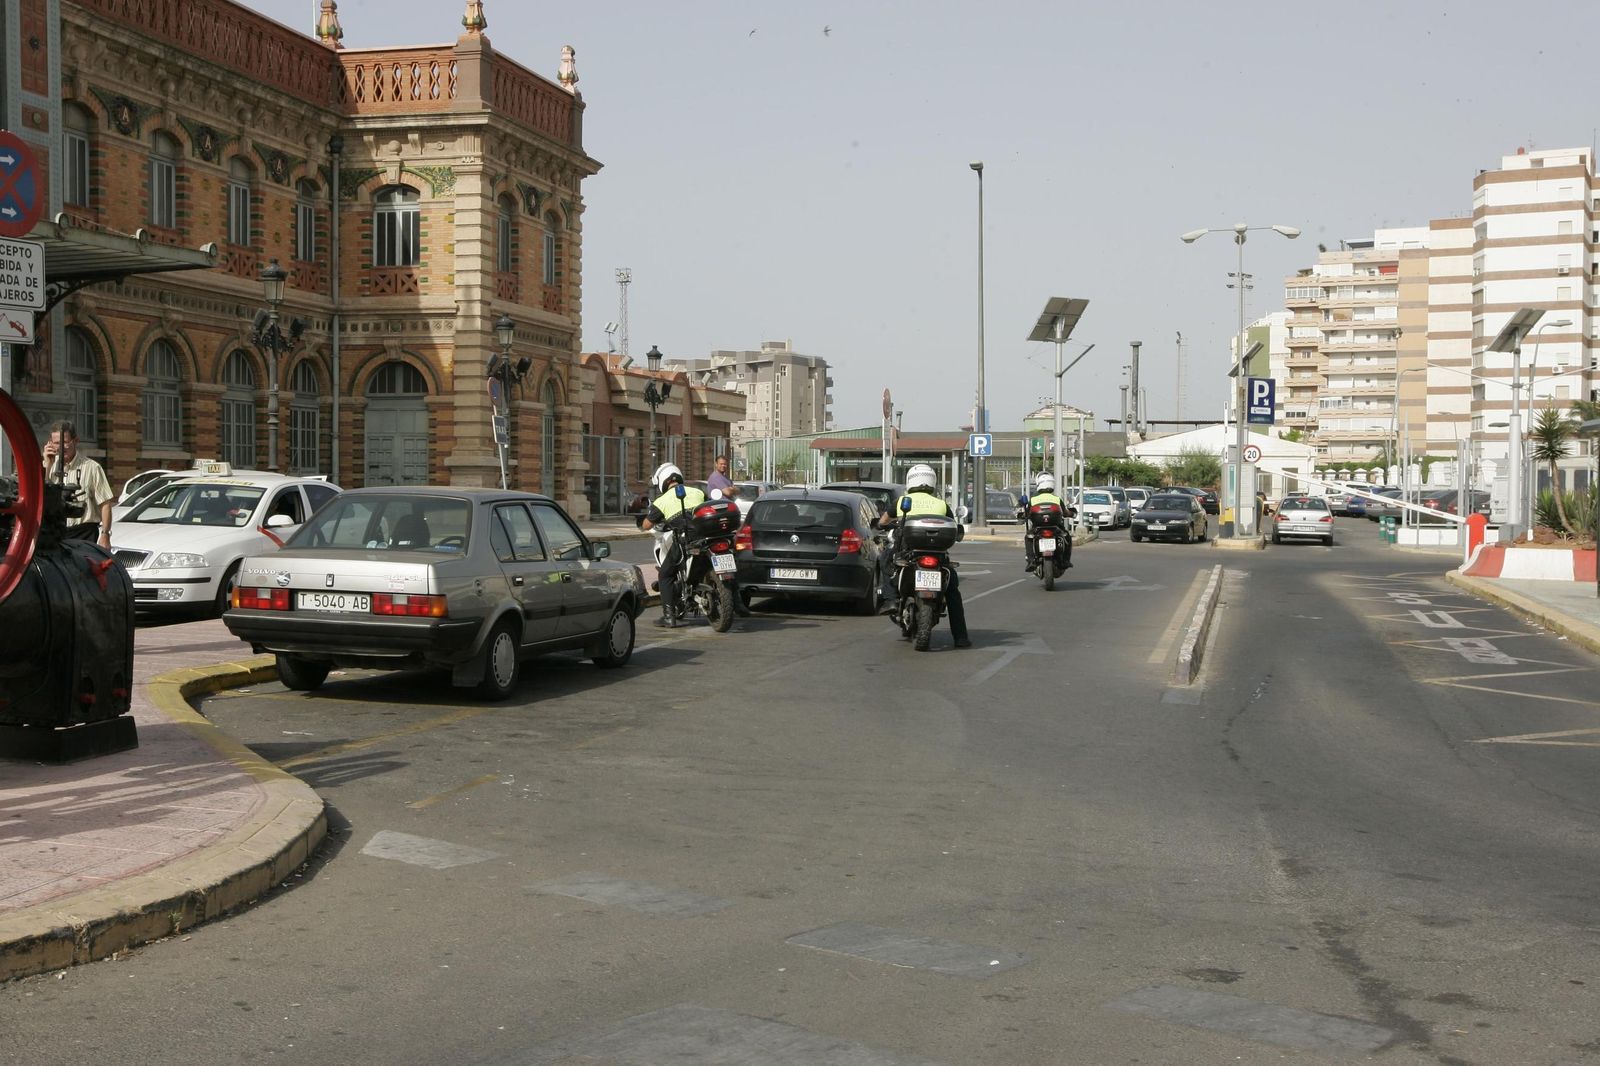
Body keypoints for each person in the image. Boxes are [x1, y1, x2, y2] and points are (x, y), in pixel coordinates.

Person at [877, 462, 970, 648]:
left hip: (909, 552)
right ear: (932, 482)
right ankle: (960, 637)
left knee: (885, 558)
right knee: (952, 591)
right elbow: (951, 523)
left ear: (910, 481)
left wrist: (884, 525)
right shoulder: (941, 504)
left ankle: (890, 600)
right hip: (938, 554)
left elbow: (883, 521)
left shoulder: (903, 501)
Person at [640, 462, 706, 628]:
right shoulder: (698, 492)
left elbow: (646, 525)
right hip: (705, 538)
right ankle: (739, 604)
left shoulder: (661, 501)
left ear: (663, 481)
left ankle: (669, 617)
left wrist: (644, 519)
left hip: (683, 541)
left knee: (665, 575)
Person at [40, 421, 114, 549]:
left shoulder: (92, 467)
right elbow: (40, 496)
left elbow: (105, 504)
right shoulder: (47, 466)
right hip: (55, 532)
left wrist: (105, 534)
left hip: (84, 533)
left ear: (75, 441)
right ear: (50, 444)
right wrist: (47, 465)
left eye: (65, 442)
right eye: (57, 443)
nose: (62, 447)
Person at [704, 455, 752, 616]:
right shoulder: (716, 478)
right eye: (721, 464)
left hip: (727, 522)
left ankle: (737, 603)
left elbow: (734, 491)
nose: (723, 466)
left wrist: (733, 489)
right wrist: (733, 489)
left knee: (730, 566)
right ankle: (735, 604)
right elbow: (730, 491)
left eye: (725, 464)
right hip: (717, 522)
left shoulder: (724, 478)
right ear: (715, 464)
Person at [1018, 472, 1072, 574]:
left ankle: (1031, 560)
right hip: (1055, 527)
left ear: (1038, 484)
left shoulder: (1033, 500)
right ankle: (1065, 560)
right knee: (1067, 536)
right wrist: (1072, 514)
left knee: (1028, 537)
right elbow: (1065, 512)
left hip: (1038, 527)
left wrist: (1023, 516)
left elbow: (1027, 513)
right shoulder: (1056, 499)